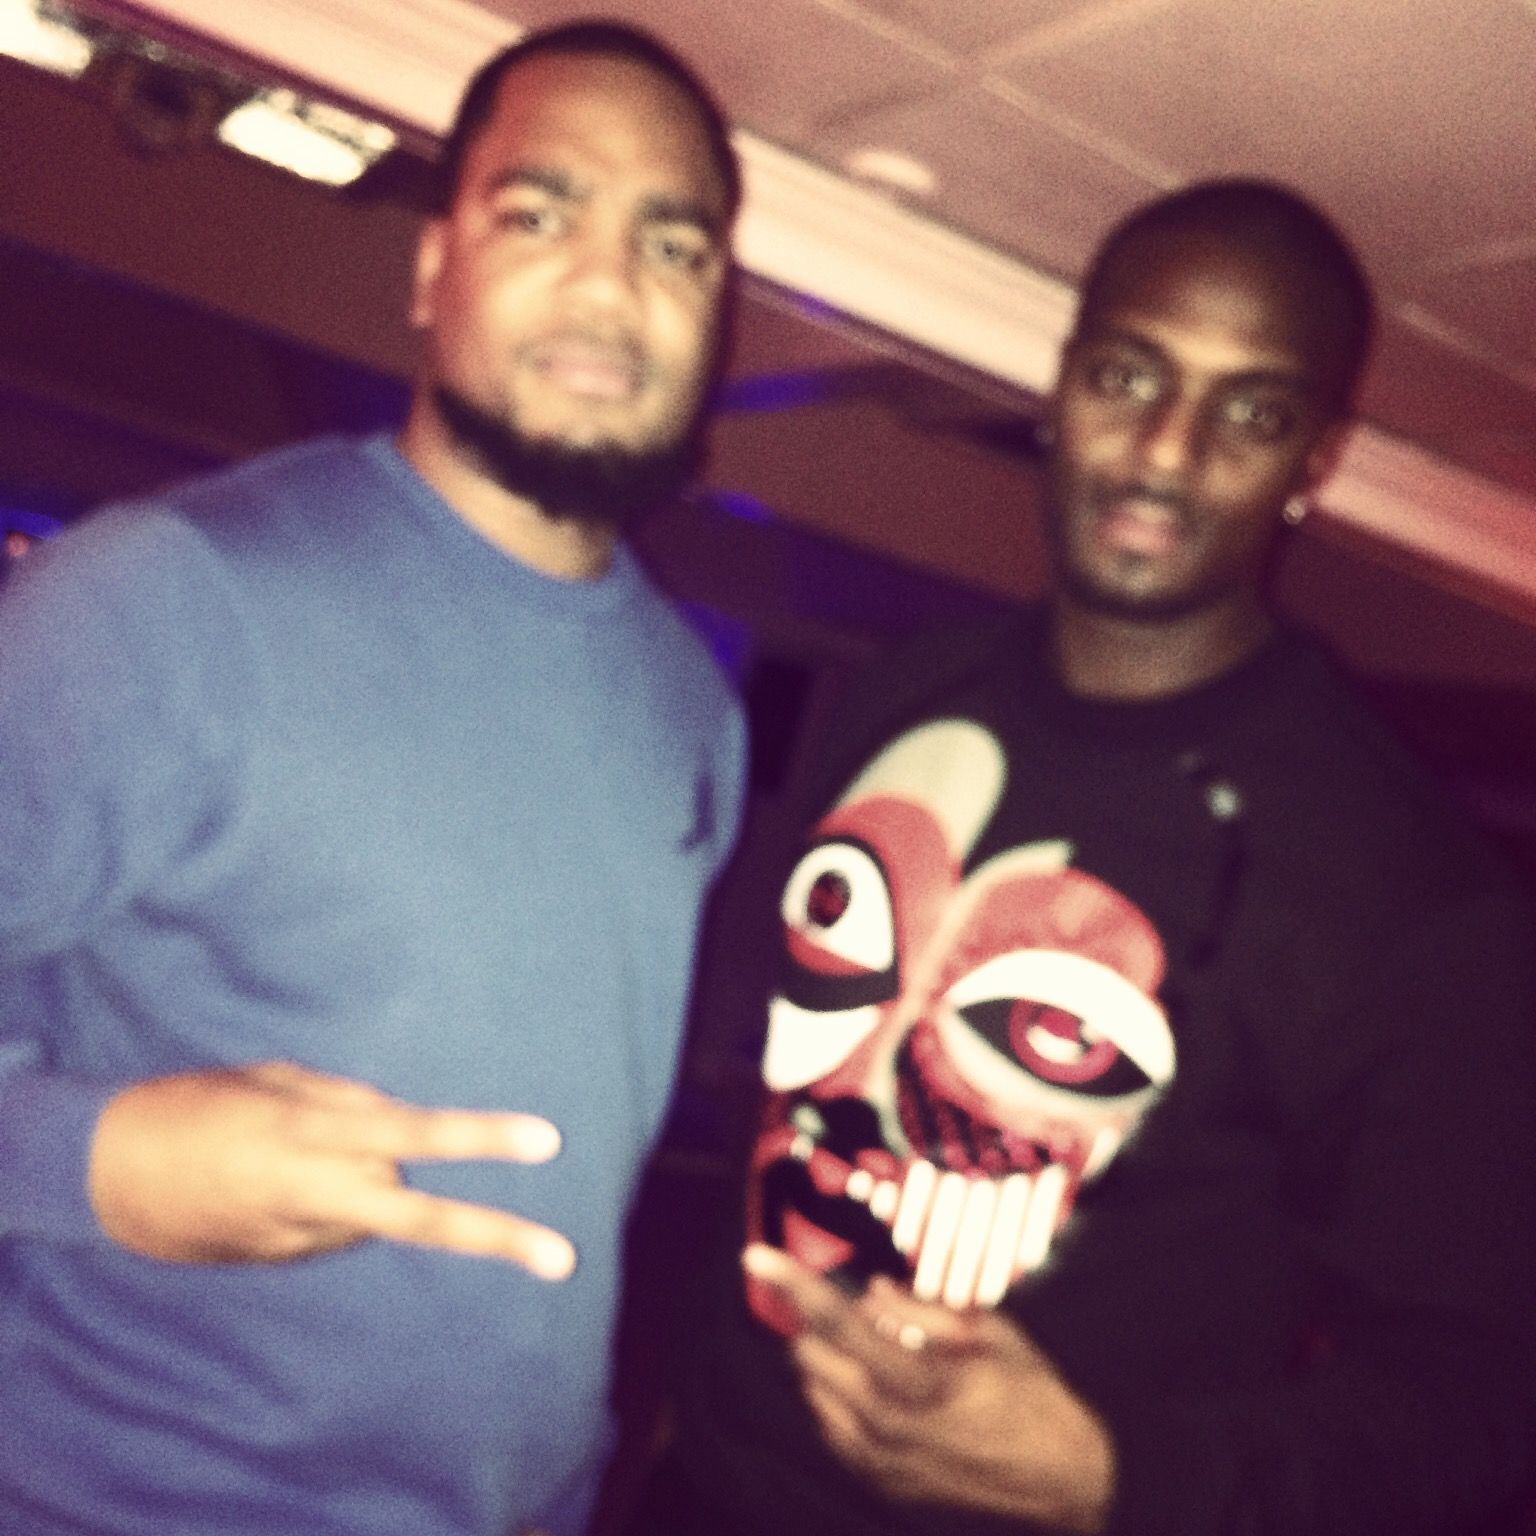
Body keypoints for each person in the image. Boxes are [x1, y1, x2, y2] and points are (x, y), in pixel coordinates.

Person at [630, 180, 1536, 1536]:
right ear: (1061, 387)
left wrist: (1111, 1477)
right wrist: (684, 1401)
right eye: (1128, 376)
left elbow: (1486, 1397)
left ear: (1315, 461)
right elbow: (794, 1089)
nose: (1166, 453)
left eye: (1250, 413)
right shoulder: (899, 700)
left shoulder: (1409, 893)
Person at [0, 21, 744, 1536]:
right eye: (538, 215)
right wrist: (107, 1159)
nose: (611, 288)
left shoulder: (695, 708)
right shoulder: (171, 594)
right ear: (430, 269)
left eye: (673, 247)